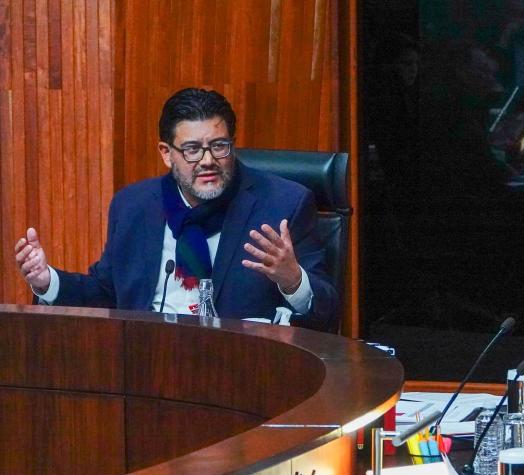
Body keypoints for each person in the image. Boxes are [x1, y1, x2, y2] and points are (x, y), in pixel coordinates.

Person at [13, 88, 338, 328]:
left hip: (242, 372)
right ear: (167, 153)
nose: (208, 160)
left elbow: (328, 313)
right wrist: (46, 281)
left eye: (219, 146)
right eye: (193, 150)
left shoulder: (282, 205)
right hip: (145, 370)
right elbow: (105, 294)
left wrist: (294, 280)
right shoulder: (134, 207)